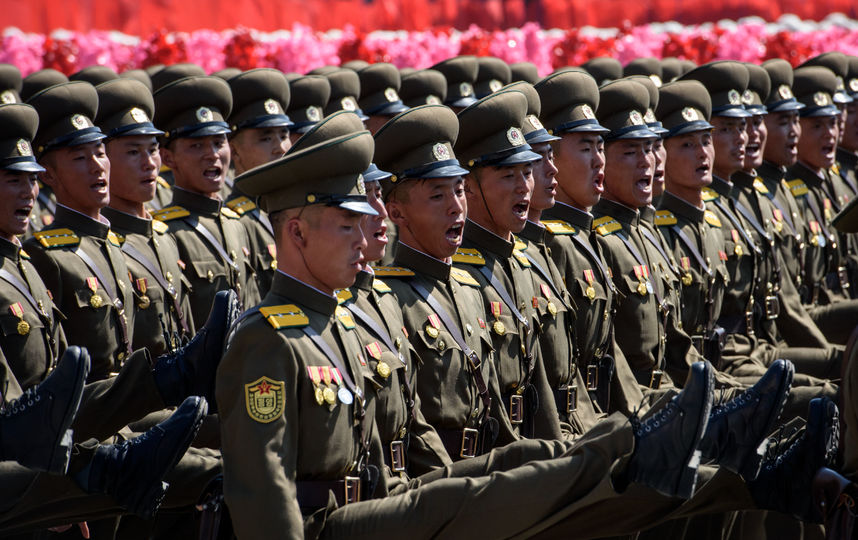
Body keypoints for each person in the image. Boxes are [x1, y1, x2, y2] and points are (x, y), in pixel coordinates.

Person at [96, 77, 195, 356]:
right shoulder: (104, 246)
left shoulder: (164, 236)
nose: (149, 163)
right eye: (133, 152)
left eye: (152, 149)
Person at [153, 75, 261, 325]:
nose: (212, 155)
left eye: (218, 142)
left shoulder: (237, 223)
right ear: (168, 158)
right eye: (196, 146)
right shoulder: (167, 234)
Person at [225, 68, 293, 297]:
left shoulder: (296, 209)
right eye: (265, 138)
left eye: (284, 136)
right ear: (234, 150)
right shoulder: (235, 223)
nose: (280, 148)